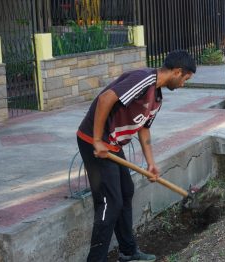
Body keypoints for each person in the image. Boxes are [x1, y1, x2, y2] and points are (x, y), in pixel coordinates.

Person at [76, 50, 196, 262]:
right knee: (109, 202)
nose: (183, 84)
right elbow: (105, 99)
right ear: (177, 72)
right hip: (93, 141)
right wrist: (96, 140)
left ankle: (128, 252)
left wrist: (151, 163)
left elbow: (143, 129)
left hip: (111, 145)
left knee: (126, 191)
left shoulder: (156, 96)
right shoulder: (143, 79)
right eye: (185, 79)